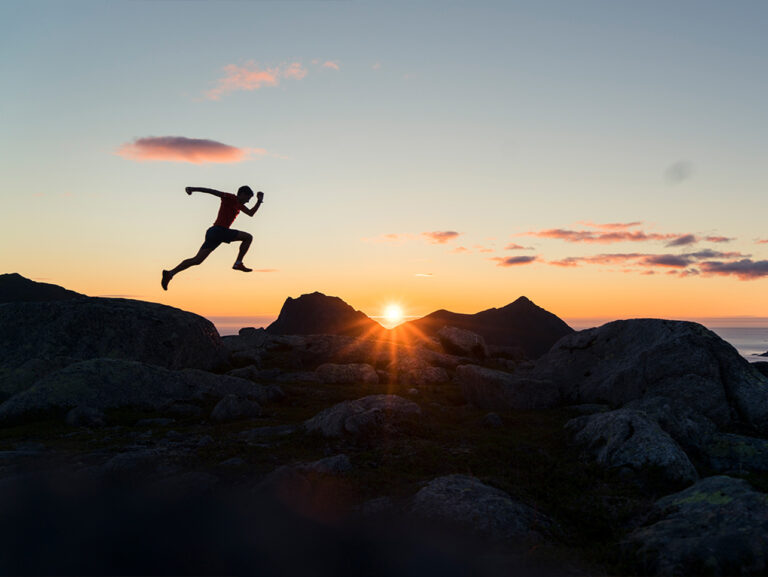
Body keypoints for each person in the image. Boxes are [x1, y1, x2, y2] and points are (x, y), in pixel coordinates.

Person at [161, 185, 264, 290]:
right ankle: (238, 263)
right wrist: (192, 189)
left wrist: (259, 201)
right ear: (241, 194)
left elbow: (251, 213)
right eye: (248, 198)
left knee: (197, 260)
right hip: (219, 230)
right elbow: (211, 191)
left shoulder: (240, 205)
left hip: (214, 233)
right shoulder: (230, 197)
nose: (247, 201)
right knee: (248, 237)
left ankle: (170, 273)